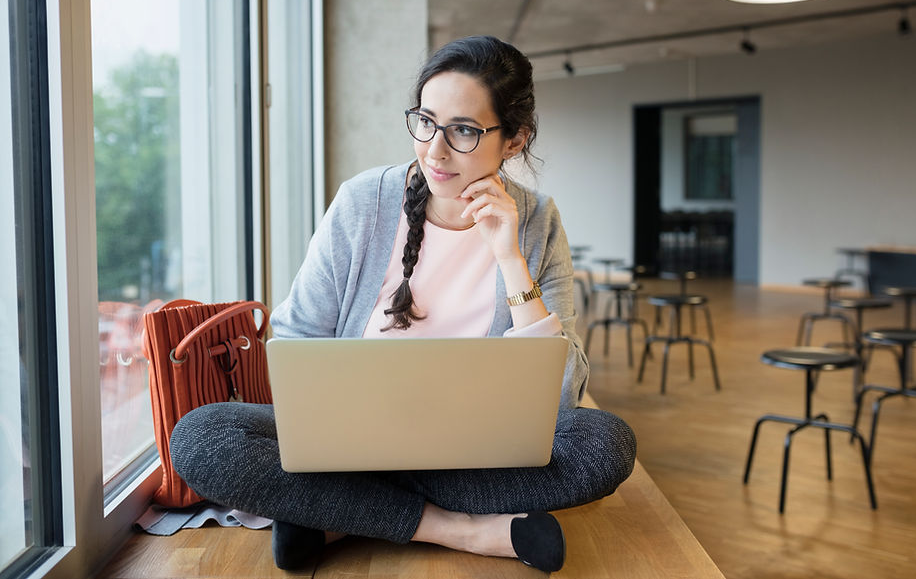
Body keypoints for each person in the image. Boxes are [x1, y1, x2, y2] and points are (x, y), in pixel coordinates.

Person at [170, 35, 636, 573]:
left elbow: (560, 398)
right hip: (349, 442)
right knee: (202, 437)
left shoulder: (537, 221)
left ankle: (340, 513)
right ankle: (463, 529)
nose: (435, 151)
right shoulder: (363, 201)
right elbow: (297, 338)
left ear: (514, 140)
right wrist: (346, 425)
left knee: (607, 444)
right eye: (426, 122)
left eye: (463, 130)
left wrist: (510, 258)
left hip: (474, 449)